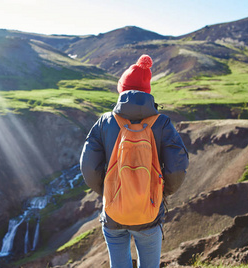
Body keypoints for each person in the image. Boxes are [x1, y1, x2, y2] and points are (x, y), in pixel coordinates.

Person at [80, 54, 189, 268]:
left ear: (122, 89)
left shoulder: (105, 122)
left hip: (113, 213)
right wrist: (158, 192)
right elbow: (177, 168)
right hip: (149, 214)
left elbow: (87, 167)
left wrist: (109, 190)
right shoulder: (163, 123)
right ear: (147, 92)